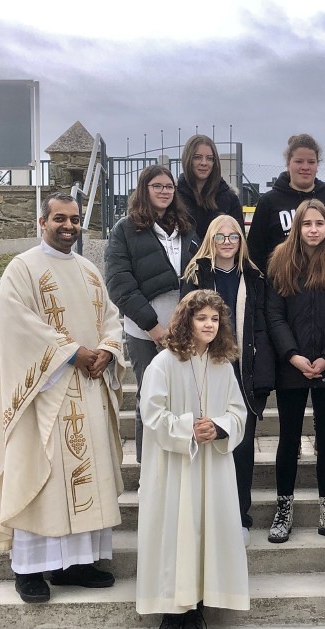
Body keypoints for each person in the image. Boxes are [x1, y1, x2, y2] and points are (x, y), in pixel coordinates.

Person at [0, 193, 126, 604]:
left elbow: (110, 318)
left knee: (84, 478)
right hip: (43, 394)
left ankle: (76, 564)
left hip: (88, 390)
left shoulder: (89, 270)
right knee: (42, 478)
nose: (69, 226)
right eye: (60, 218)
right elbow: (17, 325)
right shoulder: (22, 268)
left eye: (74, 219)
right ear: (42, 222)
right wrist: (71, 352)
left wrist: (108, 351)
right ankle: (28, 569)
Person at [136, 289, 248, 629]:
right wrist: (188, 428)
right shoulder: (163, 364)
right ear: (187, 321)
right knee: (174, 533)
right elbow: (151, 414)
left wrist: (219, 427)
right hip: (175, 466)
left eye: (215, 319)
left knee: (203, 533)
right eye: (202, 318)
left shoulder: (223, 365)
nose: (209, 325)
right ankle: (171, 614)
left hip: (210, 467)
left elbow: (237, 412)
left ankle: (197, 610)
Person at [265, 198, 325, 544]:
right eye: (307, 224)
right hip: (292, 366)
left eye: (319, 223)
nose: (314, 230)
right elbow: (274, 314)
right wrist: (293, 355)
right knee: (288, 438)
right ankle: (283, 510)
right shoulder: (280, 261)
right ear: (297, 227)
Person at [180, 215, 275, 542]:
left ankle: (239, 518)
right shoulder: (196, 274)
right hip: (206, 368)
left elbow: (262, 327)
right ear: (211, 239)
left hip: (243, 371)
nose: (226, 242)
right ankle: (206, 519)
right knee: (208, 444)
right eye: (220, 236)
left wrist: (263, 377)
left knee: (242, 446)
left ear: (241, 240)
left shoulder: (254, 276)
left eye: (233, 236)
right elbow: (185, 323)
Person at [104, 165, 199, 462]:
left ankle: (181, 464)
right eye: (157, 186)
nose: (164, 191)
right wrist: (154, 328)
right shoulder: (125, 230)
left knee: (184, 397)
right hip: (145, 331)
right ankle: (149, 469)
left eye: (169, 186)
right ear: (144, 190)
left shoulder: (186, 227)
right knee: (150, 396)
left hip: (185, 329)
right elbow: (119, 284)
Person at [247, 134, 325, 273]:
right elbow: (255, 251)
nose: (305, 167)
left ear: (317, 165)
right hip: (283, 281)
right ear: (288, 163)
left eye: (311, 162)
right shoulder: (269, 201)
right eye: (299, 161)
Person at [176, 134, 245, 240]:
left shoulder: (230, 199)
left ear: (214, 162)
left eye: (209, 158)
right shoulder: (174, 197)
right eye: (197, 157)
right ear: (187, 159)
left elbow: (239, 240)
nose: (204, 163)